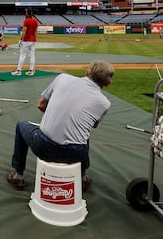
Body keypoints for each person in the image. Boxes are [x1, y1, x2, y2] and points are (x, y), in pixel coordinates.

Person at [6, 60, 115, 191]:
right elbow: (90, 125)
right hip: (75, 154)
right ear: (108, 83)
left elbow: (41, 105)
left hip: (44, 147)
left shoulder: (62, 78)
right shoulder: (104, 103)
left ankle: (18, 175)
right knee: (84, 134)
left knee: (21, 125)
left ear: (87, 71)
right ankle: (82, 177)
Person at [12, 10, 38, 76]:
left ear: (27, 13)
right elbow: (35, 31)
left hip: (26, 40)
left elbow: (24, 31)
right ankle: (31, 71)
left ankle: (18, 71)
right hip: (33, 40)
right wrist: (34, 39)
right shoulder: (35, 21)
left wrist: (21, 40)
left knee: (22, 56)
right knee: (32, 55)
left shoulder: (26, 20)